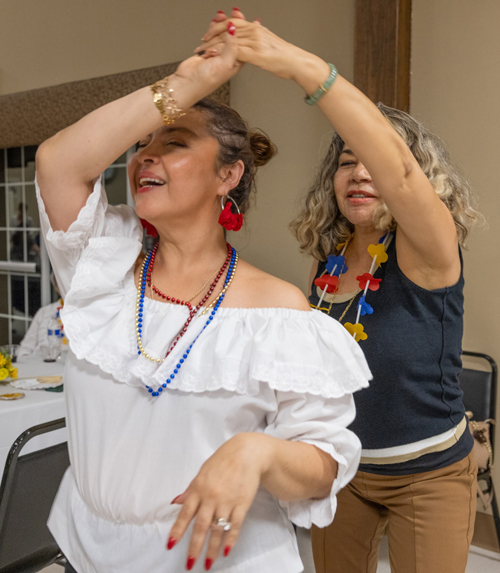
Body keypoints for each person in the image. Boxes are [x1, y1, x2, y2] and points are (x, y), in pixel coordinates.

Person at [35, 24, 370, 573]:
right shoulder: (101, 268)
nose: (145, 156)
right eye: (142, 144)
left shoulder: (277, 311)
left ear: (229, 174)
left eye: (174, 143)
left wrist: (255, 451)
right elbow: (58, 162)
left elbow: (323, 462)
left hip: (222, 562)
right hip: (85, 554)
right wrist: (190, 81)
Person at [198, 9, 480, 573]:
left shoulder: (430, 250)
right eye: (346, 162)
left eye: (370, 160)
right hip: (342, 469)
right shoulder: (326, 266)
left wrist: (296, 65)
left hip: (427, 475)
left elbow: (398, 174)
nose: (359, 173)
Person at [19, 274, 67, 357]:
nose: (64, 286)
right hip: (39, 363)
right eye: (59, 283)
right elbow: (26, 347)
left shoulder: (86, 314)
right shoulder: (44, 312)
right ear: (56, 288)